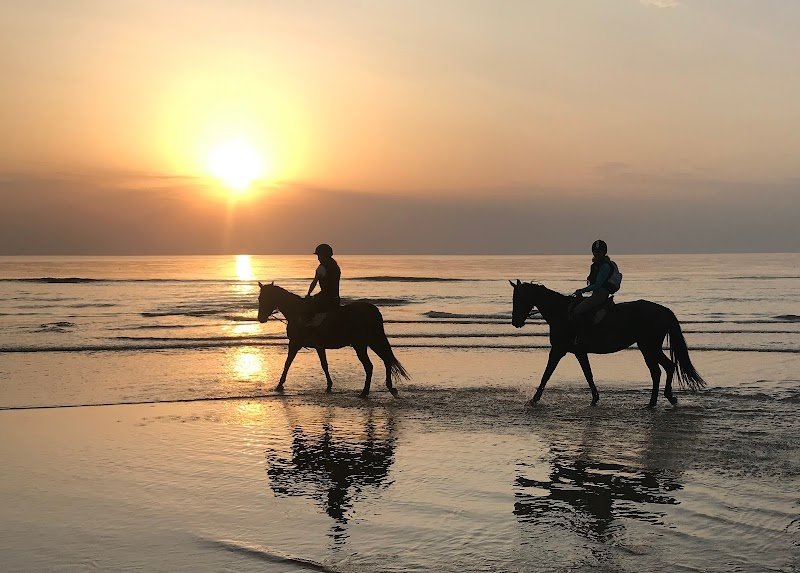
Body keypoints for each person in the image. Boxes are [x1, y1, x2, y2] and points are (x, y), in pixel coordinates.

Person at [571, 239, 617, 345]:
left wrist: (581, 290)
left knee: (577, 311)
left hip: (600, 295)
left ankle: (581, 338)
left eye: (599, 251)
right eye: (595, 251)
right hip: (596, 294)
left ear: (604, 252)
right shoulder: (596, 265)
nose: (597, 253)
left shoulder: (605, 266)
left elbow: (597, 285)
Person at [305, 243, 341, 324]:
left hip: (325, 298)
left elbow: (314, 282)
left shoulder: (322, 267)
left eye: (319, 256)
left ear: (323, 255)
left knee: (307, 308)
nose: (318, 258)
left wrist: (308, 294)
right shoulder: (335, 266)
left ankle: (309, 326)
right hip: (336, 298)